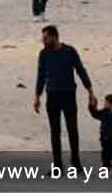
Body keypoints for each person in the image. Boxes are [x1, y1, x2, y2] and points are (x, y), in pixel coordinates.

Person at [34, 25, 95, 171]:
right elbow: (41, 76)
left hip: (68, 94)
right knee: (55, 131)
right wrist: (37, 96)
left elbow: (81, 70)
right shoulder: (43, 54)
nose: (43, 41)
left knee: (72, 129)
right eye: (43, 38)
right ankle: (57, 164)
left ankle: (75, 160)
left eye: (46, 38)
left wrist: (90, 92)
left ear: (55, 37)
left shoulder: (69, 51)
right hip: (52, 95)